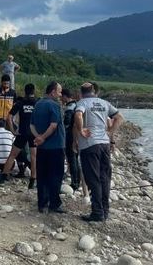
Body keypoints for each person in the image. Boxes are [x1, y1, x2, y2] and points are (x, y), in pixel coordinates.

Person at [74, 82, 125, 222]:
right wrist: (110, 132)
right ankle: (105, 210)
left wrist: (81, 131)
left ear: (81, 92)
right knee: (105, 178)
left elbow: (78, 116)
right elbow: (119, 117)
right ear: (93, 91)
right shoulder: (104, 103)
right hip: (104, 144)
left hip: (89, 145)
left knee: (93, 178)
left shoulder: (82, 103)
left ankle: (97, 212)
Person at [30, 81, 66, 214]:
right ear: (53, 92)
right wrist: (43, 137)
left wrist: (38, 138)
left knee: (42, 175)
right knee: (56, 175)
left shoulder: (38, 104)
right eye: (59, 91)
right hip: (56, 145)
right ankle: (54, 203)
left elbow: (31, 125)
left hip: (42, 147)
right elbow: (53, 125)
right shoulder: (54, 105)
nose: (60, 94)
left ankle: (42, 203)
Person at [0, 83, 37, 188]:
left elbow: (9, 117)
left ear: (25, 91)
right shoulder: (37, 103)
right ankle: (33, 179)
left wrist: (13, 130)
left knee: (13, 155)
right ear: (34, 91)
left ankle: (3, 177)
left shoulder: (20, 103)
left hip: (22, 132)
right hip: (33, 132)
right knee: (33, 156)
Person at [61, 88, 82, 192]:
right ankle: (77, 180)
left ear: (65, 96)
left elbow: (67, 121)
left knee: (72, 159)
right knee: (75, 158)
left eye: (62, 96)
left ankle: (75, 182)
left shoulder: (70, 107)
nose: (61, 98)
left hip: (70, 135)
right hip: (77, 135)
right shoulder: (77, 104)